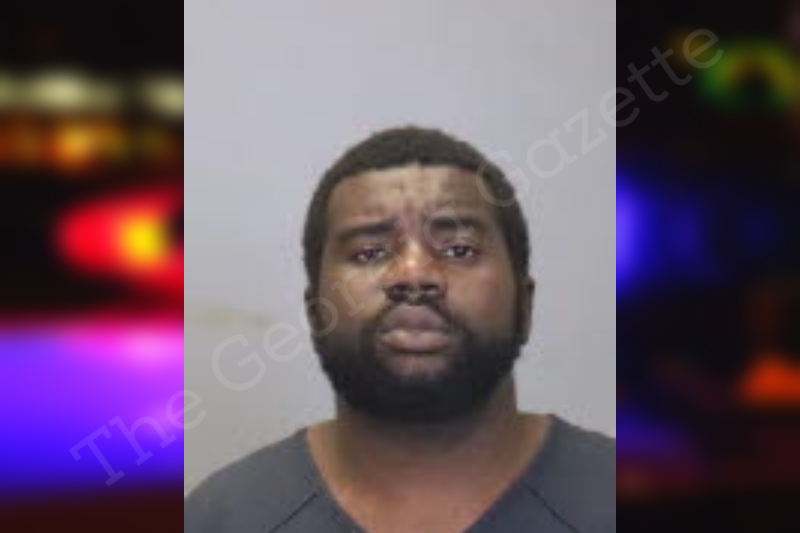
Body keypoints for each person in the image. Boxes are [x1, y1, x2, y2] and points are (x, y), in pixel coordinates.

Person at [184, 127, 615, 533]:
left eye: (459, 249)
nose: (414, 274)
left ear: (524, 304)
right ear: (315, 313)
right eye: (369, 252)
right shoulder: (222, 518)